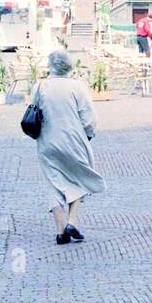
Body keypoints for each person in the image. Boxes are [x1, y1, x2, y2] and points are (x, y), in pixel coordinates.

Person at [34, 51, 105, 245]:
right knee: (80, 177)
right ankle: (72, 222)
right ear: (69, 67)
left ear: (50, 66)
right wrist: (88, 134)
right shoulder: (77, 87)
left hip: (47, 142)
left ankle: (60, 232)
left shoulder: (41, 86)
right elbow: (89, 118)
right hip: (74, 141)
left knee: (54, 183)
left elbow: (33, 110)